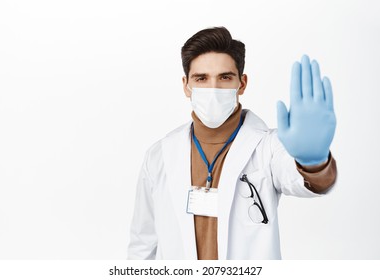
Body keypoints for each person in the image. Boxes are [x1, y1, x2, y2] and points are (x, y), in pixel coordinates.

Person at [127, 27, 337, 260]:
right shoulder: (160, 155)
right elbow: (142, 244)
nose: (213, 89)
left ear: (242, 83)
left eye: (225, 77)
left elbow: (304, 180)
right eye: (201, 78)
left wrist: (314, 162)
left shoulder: (268, 147)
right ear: (186, 85)